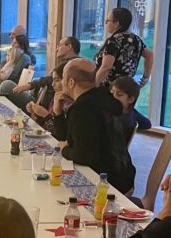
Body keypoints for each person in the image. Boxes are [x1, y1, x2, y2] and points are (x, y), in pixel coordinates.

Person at [50, 58, 135, 194]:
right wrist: (58, 113)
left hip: (109, 186)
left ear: (71, 82)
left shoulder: (82, 108)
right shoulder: (105, 96)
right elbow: (68, 137)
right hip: (124, 176)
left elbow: (84, 156)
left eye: (63, 78)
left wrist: (64, 149)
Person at [2, 35, 79, 110]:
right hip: (37, 96)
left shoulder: (72, 65)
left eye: (59, 45)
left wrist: (30, 85)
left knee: (6, 85)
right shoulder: (65, 63)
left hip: (39, 104)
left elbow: (49, 79)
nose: (56, 49)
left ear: (69, 47)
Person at [94, 7, 154, 87]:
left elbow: (106, 67)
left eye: (107, 20)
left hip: (111, 89)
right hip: (127, 87)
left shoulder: (113, 41)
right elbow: (149, 54)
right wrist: (146, 77)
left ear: (116, 23)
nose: (106, 23)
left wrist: (94, 86)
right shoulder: (136, 39)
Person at [110, 76, 153, 144]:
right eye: (111, 93)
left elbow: (147, 124)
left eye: (119, 94)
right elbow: (147, 124)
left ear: (130, 99)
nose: (113, 97)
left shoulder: (118, 119)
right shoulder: (131, 113)